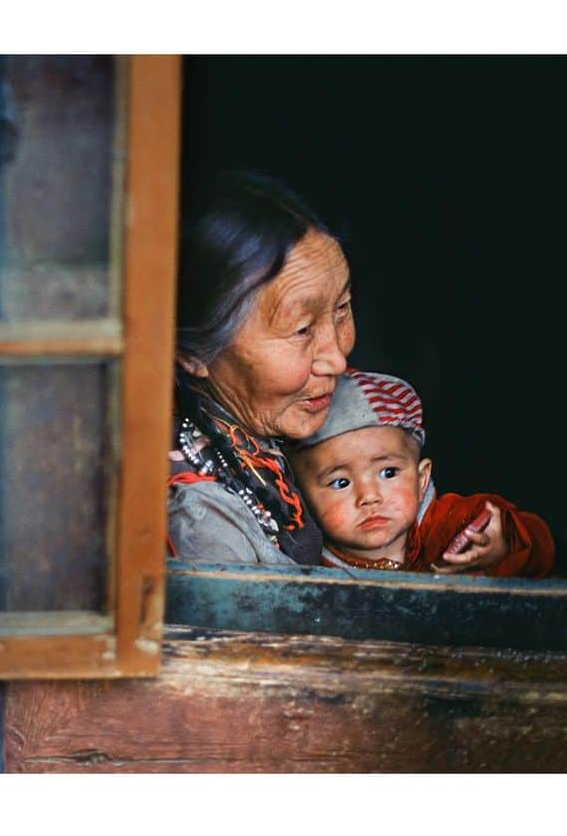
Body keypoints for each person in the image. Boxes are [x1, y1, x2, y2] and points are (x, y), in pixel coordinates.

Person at [168, 171, 355, 565]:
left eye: (341, 308)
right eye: (302, 329)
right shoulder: (201, 521)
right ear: (193, 354)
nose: (337, 359)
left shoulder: (328, 405)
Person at [287, 368, 555, 577]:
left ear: (421, 478)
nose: (369, 497)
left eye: (389, 473)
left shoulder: (451, 525)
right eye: (341, 482)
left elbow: (541, 545)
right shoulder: (302, 560)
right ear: (300, 495)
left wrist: (502, 547)